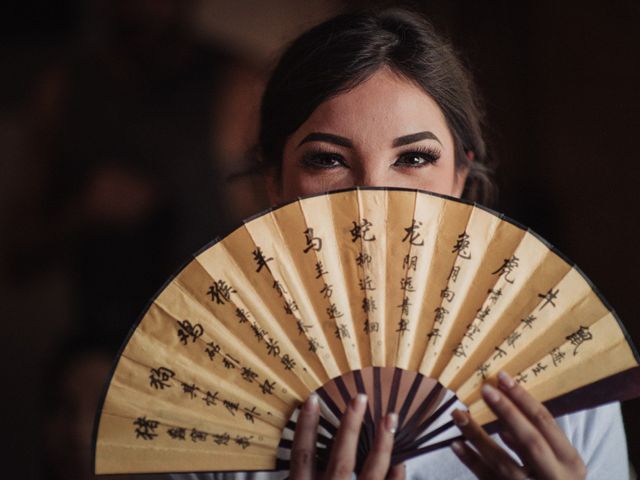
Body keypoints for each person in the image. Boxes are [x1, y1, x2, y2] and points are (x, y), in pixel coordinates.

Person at [175, 7, 629, 480]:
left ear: (459, 175)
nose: (372, 198)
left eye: (413, 157)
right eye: (328, 160)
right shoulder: (202, 390)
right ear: (275, 181)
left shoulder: (560, 374)